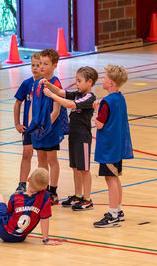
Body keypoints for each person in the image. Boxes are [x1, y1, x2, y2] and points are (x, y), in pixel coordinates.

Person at [41, 66, 98, 211]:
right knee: (75, 168)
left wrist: (51, 95)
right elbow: (61, 92)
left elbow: (68, 104)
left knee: (84, 169)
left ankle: (87, 199)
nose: (77, 84)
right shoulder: (78, 94)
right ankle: (78, 195)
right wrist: (48, 84)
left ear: (89, 82)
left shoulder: (89, 97)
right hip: (74, 137)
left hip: (83, 138)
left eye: (79, 81)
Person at [0, 168, 61, 245]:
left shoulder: (16, 197)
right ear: (45, 187)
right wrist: (46, 240)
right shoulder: (45, 196)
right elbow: (45, 219)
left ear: (28, 179)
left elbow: (9, 213)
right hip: (20, 237)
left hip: (3, 230)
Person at [92, 65, 134, 228]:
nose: (102, 80)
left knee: (110, 180)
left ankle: (113, 215)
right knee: (115, 179)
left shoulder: (107, 102)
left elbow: (99, 124)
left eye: (104, 78)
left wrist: (97, 110)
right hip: (117, 146)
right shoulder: (119, 97)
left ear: (110, 82)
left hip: (108, 147)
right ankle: (118, 210)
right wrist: (102, 103)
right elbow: (112, 105)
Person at [26, 49, 68, 205]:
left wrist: (45, 125)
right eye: (40, 63)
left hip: (50, 128)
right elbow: (31, 106)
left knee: (52, 159)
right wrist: (32, 124)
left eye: (46, 64)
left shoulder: (56, 84)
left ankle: (53, 192)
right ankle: (43, 190)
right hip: (38, 128)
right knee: (41, 159)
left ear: (54, 65)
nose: (42, 67)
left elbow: (56, 110)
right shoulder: (36, 83)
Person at [13, 52, 41, 193]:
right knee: (26, 153)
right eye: (33, 65)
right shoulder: (26, 84)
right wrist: (17, 123)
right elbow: (18, 103)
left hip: (43, 127)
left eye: (38, 65)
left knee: (44, 157)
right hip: (28, 127)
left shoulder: (47, 84)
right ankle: (22, 183)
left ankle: (44, 185)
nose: (35, 68)